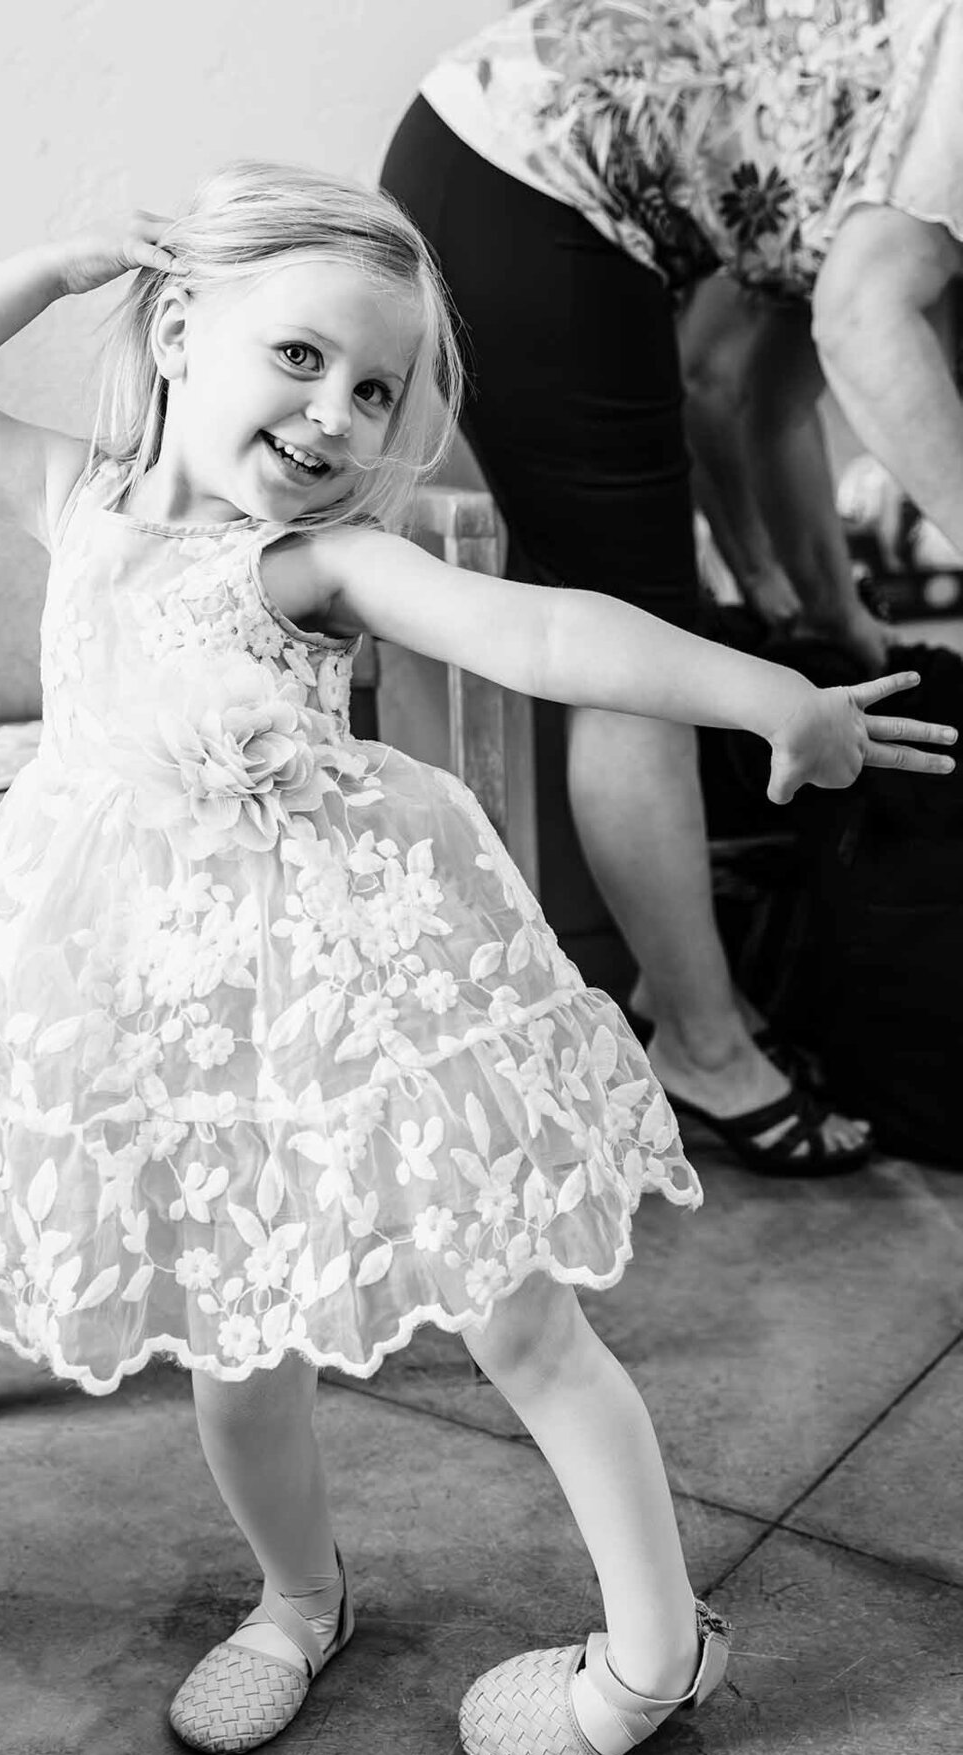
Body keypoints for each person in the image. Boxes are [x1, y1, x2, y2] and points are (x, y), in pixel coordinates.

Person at [0, 162, 953, 1755]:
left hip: (344, 986)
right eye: (301, 360)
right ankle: (298, 1601)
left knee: (524, 1324)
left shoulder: (316, 567)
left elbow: (544, 636)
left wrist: (767, 694)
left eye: (377, 388)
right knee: (235, 1341)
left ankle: (655, 1646)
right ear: (188, 324)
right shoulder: (77, 500)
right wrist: (61, 269)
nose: (339, 415)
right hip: (154, 995)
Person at [380, 0, 963, 1178]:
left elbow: (750, 396)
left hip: (500, 161)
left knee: (651, 628)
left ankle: (682, 985)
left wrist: (825, 610)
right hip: (530, 178)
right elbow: (861, 327)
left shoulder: (853, 168)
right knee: (634, 653)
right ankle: (702, 1047)